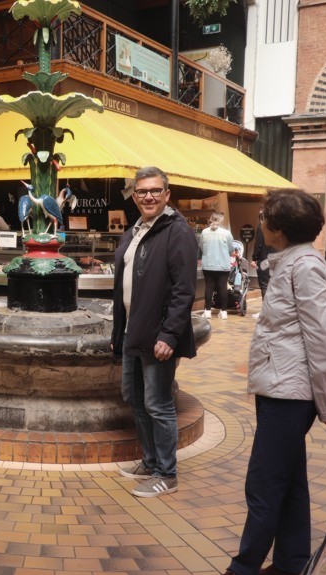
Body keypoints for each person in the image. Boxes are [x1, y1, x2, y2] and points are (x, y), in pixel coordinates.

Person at [202, 189, 326, 575]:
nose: (260, 222)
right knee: (290, 479)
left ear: (278, 228)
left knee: (264, 483)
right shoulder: (292, 263)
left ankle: (242, 574)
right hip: (281, 388)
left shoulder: (305, 268)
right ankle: (289, 565)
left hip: (291, 395)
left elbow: (324, 341)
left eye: (264, 217)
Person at [111, 166, 198, 498]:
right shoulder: (135, 230)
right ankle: (150, 462)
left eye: (155, 191)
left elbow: (183, 290)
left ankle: (167, 473)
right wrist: (119, 332)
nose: (148, 196)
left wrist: (169, 335)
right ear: (134, 196)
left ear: (167, 194)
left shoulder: (177, 231)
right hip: (133, 331)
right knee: (135, 399)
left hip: (158, 335)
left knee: (158, 404)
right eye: (142, 191)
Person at [199, 212, 235, 320]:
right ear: (221, 220)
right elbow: (231, 249)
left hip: (208, 264)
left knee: (209, 287)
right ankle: (223, 312)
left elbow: (201, 246)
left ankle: (207, 311)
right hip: (223, 264)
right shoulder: (226, 233)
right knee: (223, 287)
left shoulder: (204, 232)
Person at [249, 206, 275, 318]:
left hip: (264, 259)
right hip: (275, 259)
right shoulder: (276, 226)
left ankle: (264, 311)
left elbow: (259, 244)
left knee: (264, 285)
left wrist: (254, 258)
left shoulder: (262, 226)